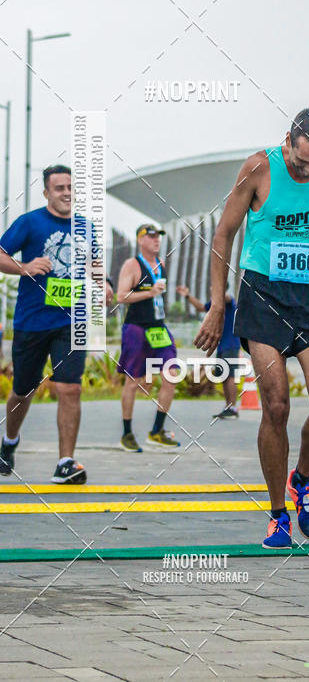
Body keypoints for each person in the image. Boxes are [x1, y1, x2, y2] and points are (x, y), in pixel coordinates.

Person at [194, 108, 309, 548]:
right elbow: (223, 234)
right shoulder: (259, 167)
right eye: (300, 162)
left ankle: (300, 481)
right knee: (277, 406)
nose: (307, 171)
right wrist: (216, 304)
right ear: (288, 140)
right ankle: (278, 514)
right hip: (263, 295)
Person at [0, 165, 112, 482]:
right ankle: (8, 443)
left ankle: (66, 462)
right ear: (47, 192)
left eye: (70, 187)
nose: (66, 193)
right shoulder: (30, 222)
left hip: (71, 321)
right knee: (23, 390)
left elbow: (94, 263)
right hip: (32, 322)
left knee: (70, 388)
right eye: (59, 187)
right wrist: (24, 266)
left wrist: (102, 282)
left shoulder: (86, 227)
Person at [116, 223, 180, 451]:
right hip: (136, 328)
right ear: (140, 240)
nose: (156, 240)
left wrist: (157, 297)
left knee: (171, 374)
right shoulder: (132, 265)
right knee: (132, 382)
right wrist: (149, 293)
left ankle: (156, 431)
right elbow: (121, 296)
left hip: (158, 328)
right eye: (151, 236)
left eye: (158, 236)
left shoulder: (159, 265)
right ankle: (126, 433)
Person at [176, 280, 241, 419]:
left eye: (214, 286)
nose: (212, 288)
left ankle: (233, 408)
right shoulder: (215, 303)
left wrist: (220, 291)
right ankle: (228, 407)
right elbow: (201, 307)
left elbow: (228, 297)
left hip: (231, 344)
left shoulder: (227, 300)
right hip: (222, 345)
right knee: (224, 376)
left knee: (229, 376)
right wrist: (187, 296)